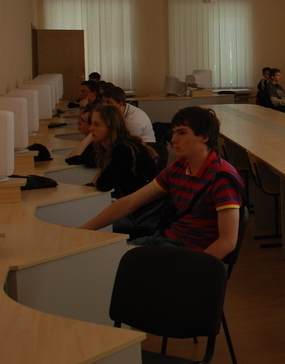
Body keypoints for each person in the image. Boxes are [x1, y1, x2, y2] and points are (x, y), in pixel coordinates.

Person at [79, 106, 243, 260]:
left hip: (188, 252)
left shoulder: (222, 179)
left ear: (204, 137)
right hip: (164, 239)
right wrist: (81, 232)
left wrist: (192, 272)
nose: (173, 139)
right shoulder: (179, 167)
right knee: (101, 258)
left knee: (108, 262)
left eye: (182, 133)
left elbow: (228, 242)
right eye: (174, 132)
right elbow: (129, 203)